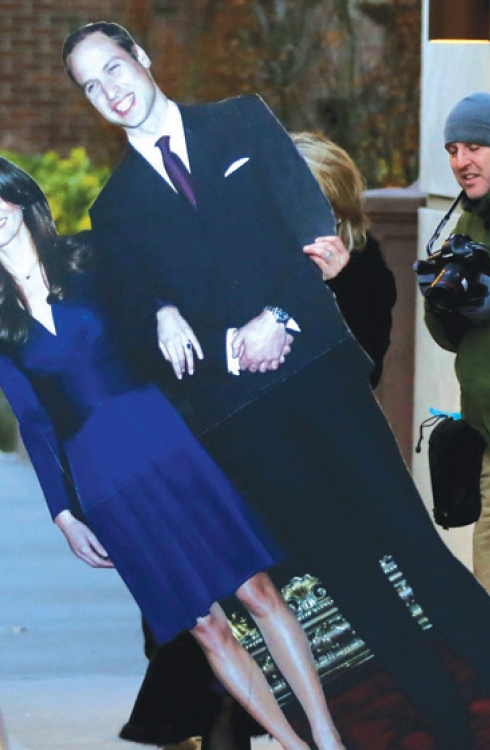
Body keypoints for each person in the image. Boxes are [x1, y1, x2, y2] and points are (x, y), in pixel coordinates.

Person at [62, 22, 490, 749]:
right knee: (351, 581)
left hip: (321, 379)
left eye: (113, 68)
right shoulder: (114, 211)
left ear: (140, 58)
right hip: (242, 421)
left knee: (413, 548)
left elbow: (307, 220)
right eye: (90, 85)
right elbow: (135, 324)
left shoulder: (240, 120)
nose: (109, 91)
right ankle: (447, 729)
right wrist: (167, 315)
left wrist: (277, 318)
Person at [0, 156, 347, 750]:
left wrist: (162, 311)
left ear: (20, 198)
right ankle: (292, 746)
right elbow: (32, 419)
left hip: (168, 441)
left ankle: (325, 735)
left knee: (257, 591)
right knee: (205, 627)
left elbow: (151, 292)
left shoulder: (85, 257)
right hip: (104, 478)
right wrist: (63, 513)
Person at [121, 132, 397, 750]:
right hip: (209, 474)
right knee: (202, 658)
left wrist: (326, 295)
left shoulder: (362, 274)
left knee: (296, 653)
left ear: (333, 212)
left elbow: (360, 372)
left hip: (304, 484)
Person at [419, 91, 490, 608]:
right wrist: (442, 302)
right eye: (452, 150)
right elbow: (453, 340)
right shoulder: (469, 220)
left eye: (475, 147)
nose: (461, 161)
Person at [294, 132, 397, 389]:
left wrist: (339, 285)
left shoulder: (364, 270)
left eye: (307, 201)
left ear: (338, 212)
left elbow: (366, 371)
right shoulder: (249, 248)